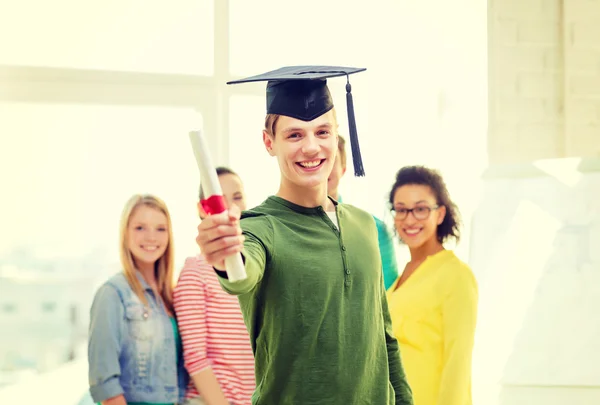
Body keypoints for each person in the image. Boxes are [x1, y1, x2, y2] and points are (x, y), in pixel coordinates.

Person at [196, 66, 413, 405]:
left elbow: (384, 338)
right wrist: (226, 254)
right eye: (295, 135)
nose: (311, 147)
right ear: (269, 143)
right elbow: (241, 273)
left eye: (322, 132)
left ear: (337, 135)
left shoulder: (364, 226)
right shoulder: (261, 227)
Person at [386, 166, 478, 405]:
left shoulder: (455, 275)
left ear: (440, 214)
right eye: (402, 210)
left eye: (421, 209)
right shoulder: (400, 278)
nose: (410, 219)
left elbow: (457, 364)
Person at [88, 194, 188, 405]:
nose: (151, 237)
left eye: (160, 229)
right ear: (125, 233)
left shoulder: (171, 296)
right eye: (140, 228)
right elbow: (105, 384)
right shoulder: (112, 294)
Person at [174, 167, 255, 405]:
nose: (230, 207)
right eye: (219, 199)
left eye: (238, 197)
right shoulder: (194, 271)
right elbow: (196, 359)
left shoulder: (255, 267)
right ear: (202, 209)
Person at [327, 134, 399, 289]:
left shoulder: (374, 229)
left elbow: (386, 295)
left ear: (343, 169)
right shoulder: (275, 225)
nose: (320, 166)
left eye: (330, 159)